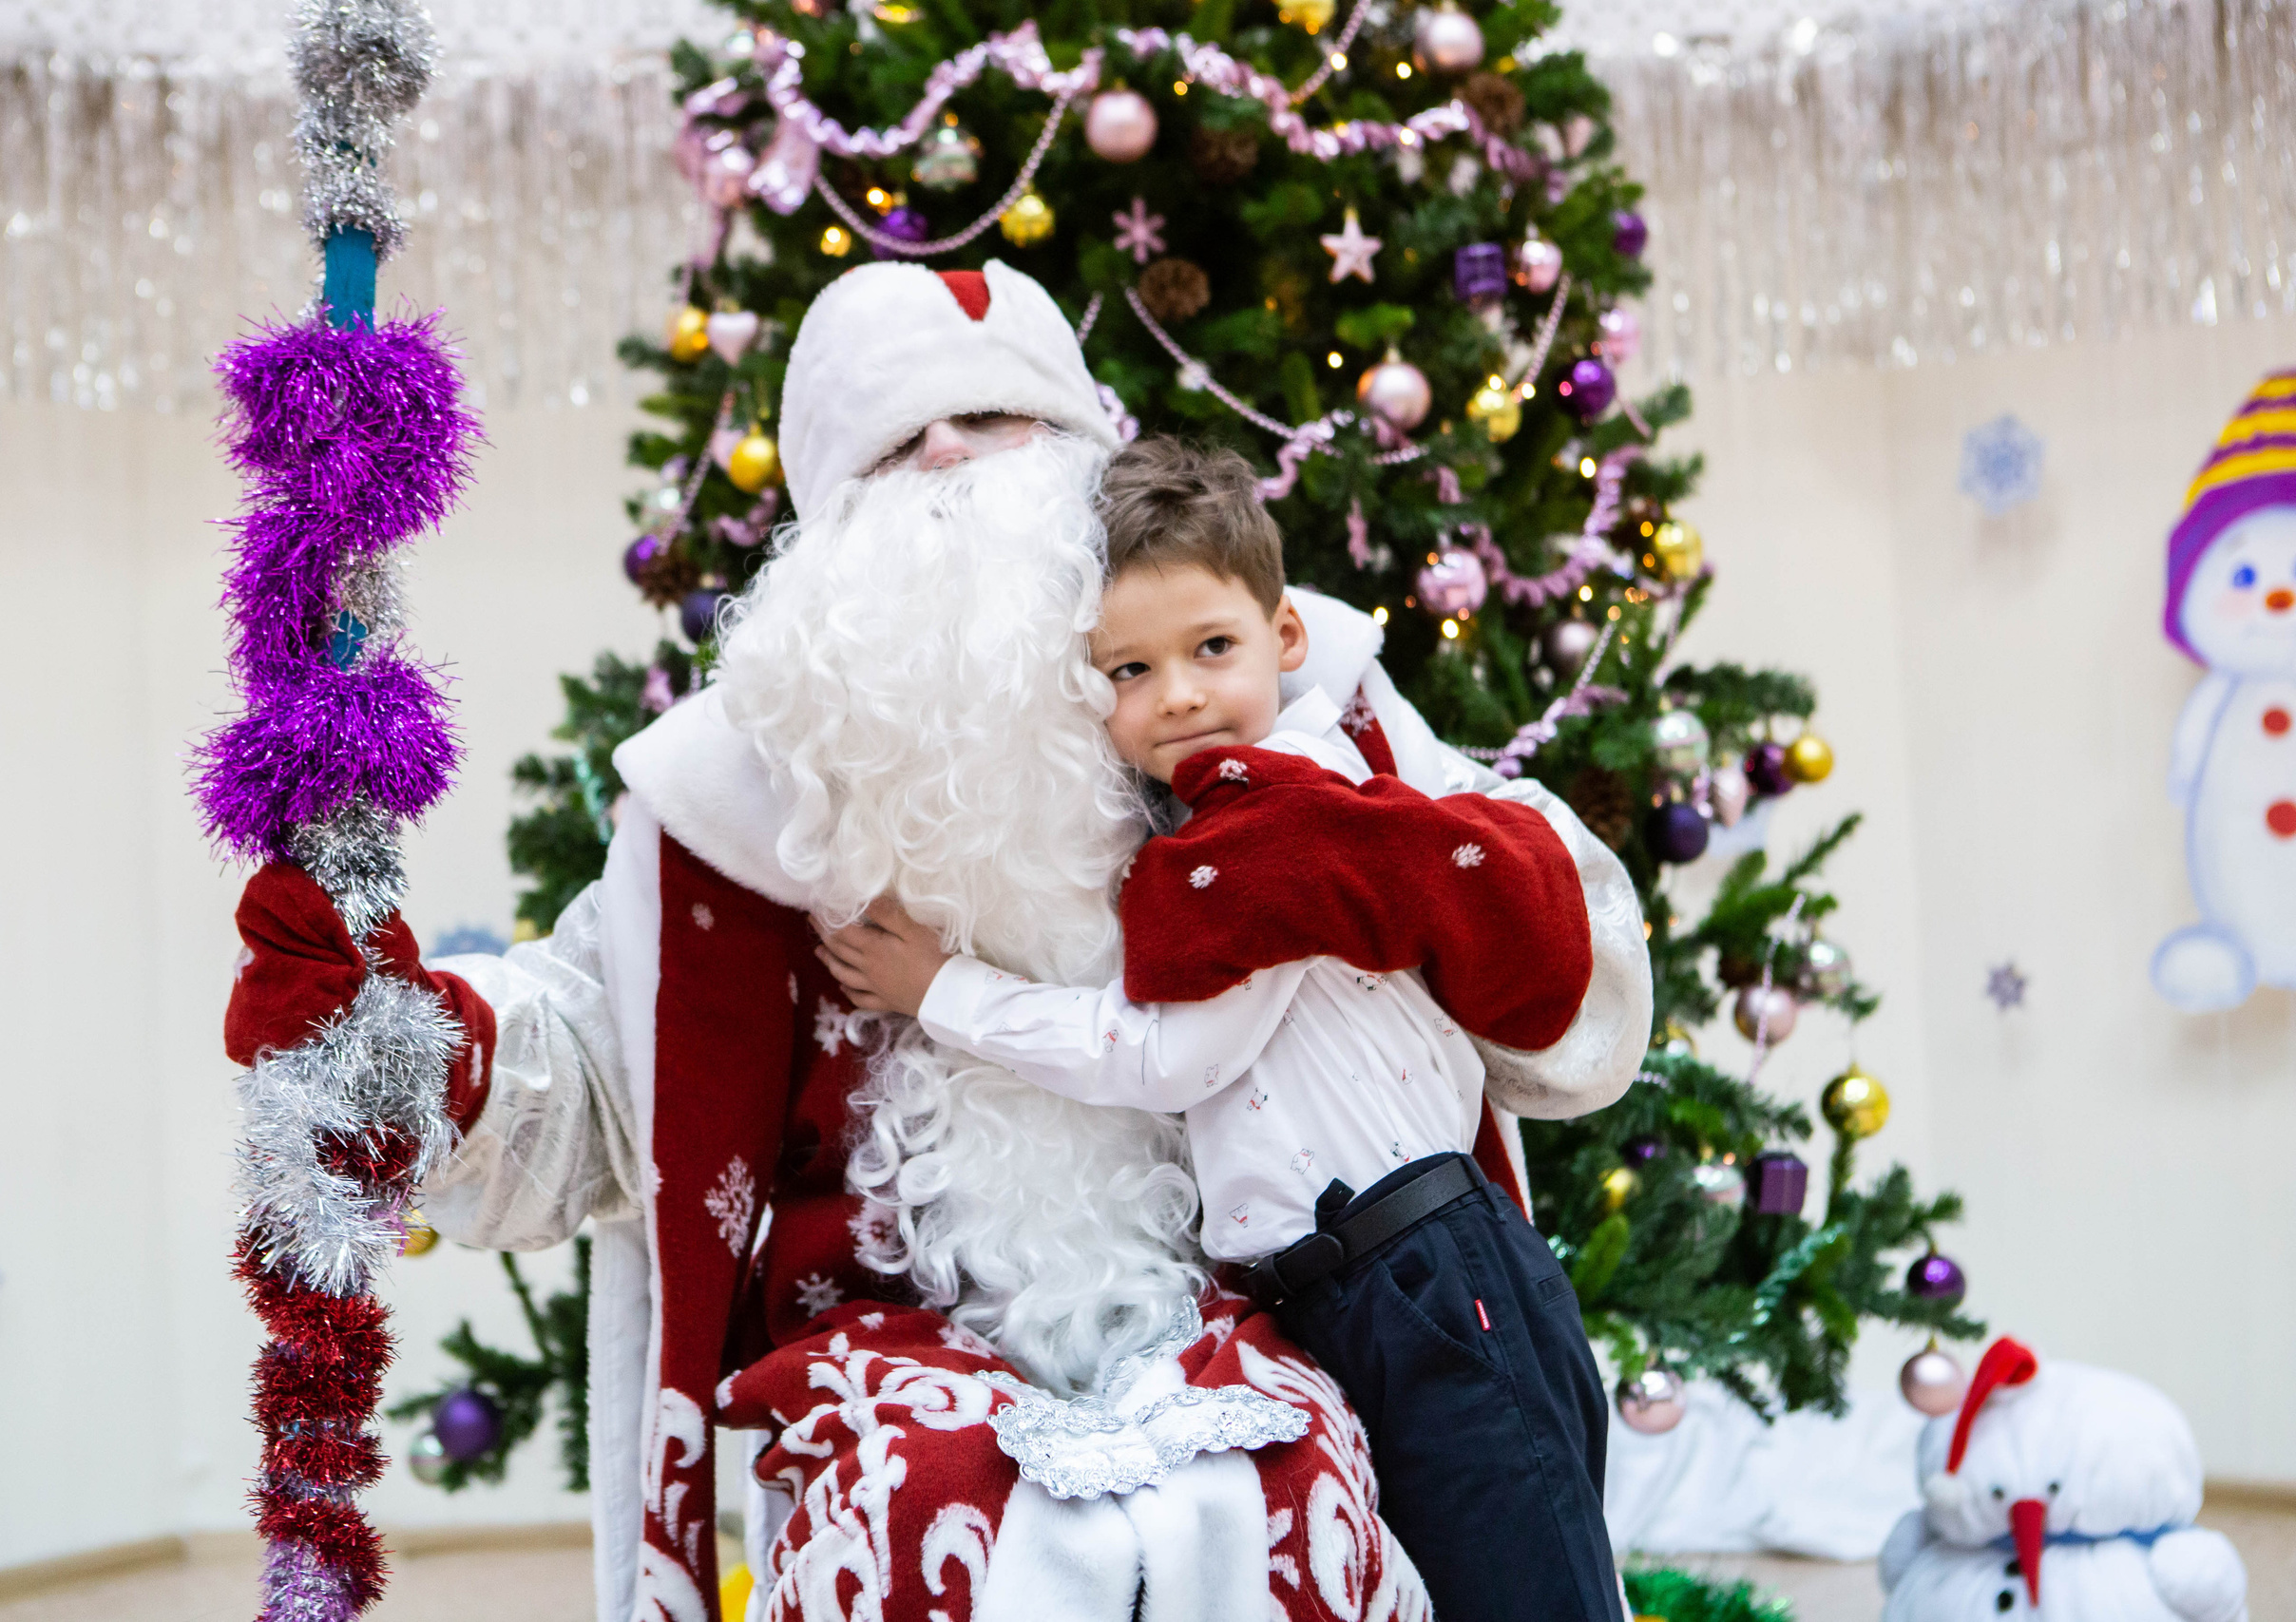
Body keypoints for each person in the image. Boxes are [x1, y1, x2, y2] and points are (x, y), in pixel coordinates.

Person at [224, 260, 1651, 1622]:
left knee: (1286, 1488)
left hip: (1275, 1297)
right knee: (927, 1511)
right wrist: (407, 1044)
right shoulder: (736, 793)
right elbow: (601, 1079)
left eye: (1004, 420)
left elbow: (1555, 970)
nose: (960, 463)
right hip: (890, 1335)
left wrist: (1464, 889)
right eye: (906, 439)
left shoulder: (1286, 706)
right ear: (820, 540)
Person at [816, 438, 1631, 1622]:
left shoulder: (1269, 834)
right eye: (1128, 672)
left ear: (1285, 640)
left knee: (1527, 1596)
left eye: (1211, 649)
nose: (1180, 696)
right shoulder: (1217, 830)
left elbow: (1161, 1054)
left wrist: (942, 990)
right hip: (1370, 1282)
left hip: (1427, 1274)